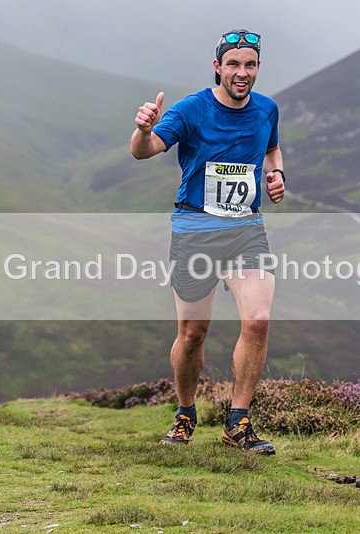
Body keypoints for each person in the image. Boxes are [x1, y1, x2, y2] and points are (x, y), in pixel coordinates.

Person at [130, 29, 285, 454]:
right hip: (195, 229)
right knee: (193, 331)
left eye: (249, 65)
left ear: (258, 68)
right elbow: (145, 151)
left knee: (257, 321)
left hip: (246, 229)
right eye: (233, 64)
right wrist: (143, 130)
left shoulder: (267, 109)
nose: (241, 72)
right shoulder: (191, 109)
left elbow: (272, 150)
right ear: (217, 66)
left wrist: (276, 175)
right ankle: (184, 412)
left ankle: (238, 423)